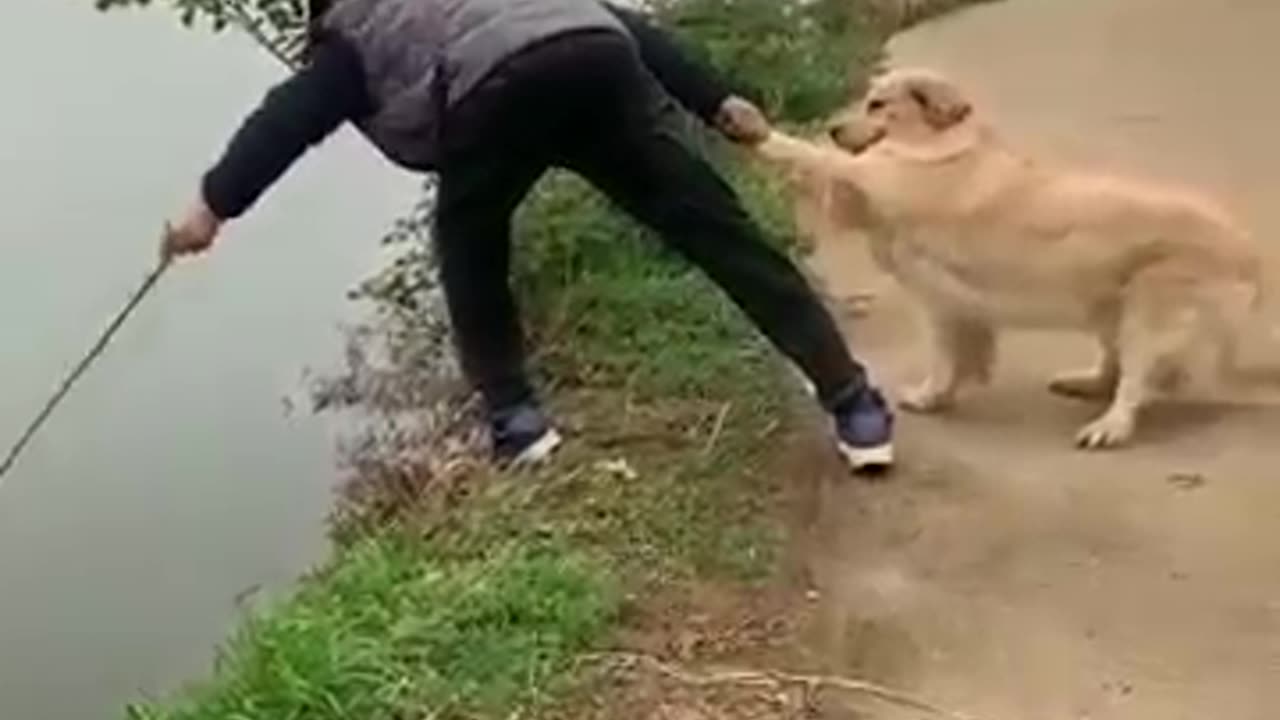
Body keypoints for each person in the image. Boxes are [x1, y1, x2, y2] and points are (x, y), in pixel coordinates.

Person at [163, 0, 895, 473]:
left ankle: (517, 420)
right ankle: (853, 401)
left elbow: (285, 122)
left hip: (496, 98)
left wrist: (210, 207)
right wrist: (715, 100)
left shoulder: (353, 30)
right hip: (596, 64)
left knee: (470, 248)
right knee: (715, 230)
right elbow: (616, 20)